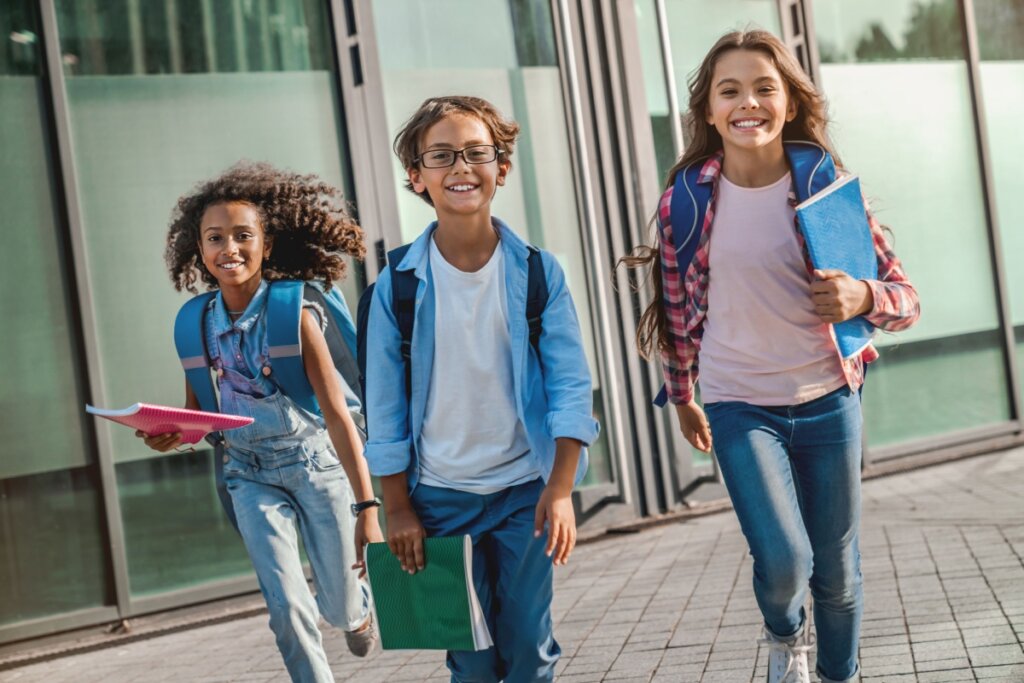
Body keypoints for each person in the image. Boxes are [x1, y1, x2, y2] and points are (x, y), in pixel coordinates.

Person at [623, 31, 920, 683]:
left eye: (764, 87)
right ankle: (786, 635)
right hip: (738, 403)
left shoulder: (823, 185)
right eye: (730, 90)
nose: (747, 102)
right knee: (785, 558)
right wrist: (682, 395)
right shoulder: (687, 202)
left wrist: (860, 293)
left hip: (828, 400)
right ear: (707, 111)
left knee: (837, 570)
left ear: (788, 102)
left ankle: (840, 674)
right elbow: (676, 313)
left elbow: (905, 300)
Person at [363, 95, 599, 683]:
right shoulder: (395, 286)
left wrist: (562, 488)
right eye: (441, 156)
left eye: (476, 152)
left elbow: (572, 387)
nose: (461, 167)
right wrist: (396, 506)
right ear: (416, 177)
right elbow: (384, 408)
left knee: (527, 648)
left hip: (526, 494)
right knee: (469, 659)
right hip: (439, 500)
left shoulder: (540, 273)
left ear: (502, 168)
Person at [139, 162, 383, 682]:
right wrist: (169, 436)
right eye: (215, 238)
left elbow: (337, 416)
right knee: (287, 606)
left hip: (317, 466)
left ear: (266, 246)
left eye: (243, 235)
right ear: (199, 251)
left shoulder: (293, 316)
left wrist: (368, 507)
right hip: (248, 474)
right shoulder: (193, 323)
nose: (229, 247)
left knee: (337, 607)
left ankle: (357, 613)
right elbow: (202, 416)